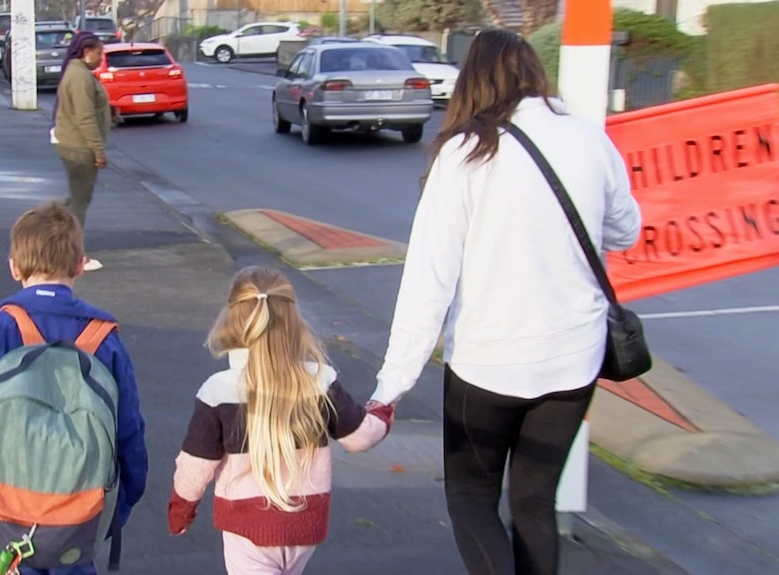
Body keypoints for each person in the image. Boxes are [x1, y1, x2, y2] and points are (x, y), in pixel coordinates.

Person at [367, 29, 642, 575]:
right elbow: (625, 231)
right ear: (534, 73)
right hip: (573, 361)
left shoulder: (466, 153)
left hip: (486, 365)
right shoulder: (588, 139)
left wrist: (391, 385)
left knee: (471, 498)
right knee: (535, 503)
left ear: (474, 79)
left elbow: (430, 280)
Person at [0, 202, 149, 575]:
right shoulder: (104, 340)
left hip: (3, 515)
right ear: (80, 264)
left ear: (14, 266)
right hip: (78, 518)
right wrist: (117, 507)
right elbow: (129, 435)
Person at [167, 266, 394, 575]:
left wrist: (182, 508)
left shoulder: (219, 392)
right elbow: (361, 437)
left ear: (233, 319)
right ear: (293, 322)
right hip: (305, 524)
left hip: (247, 525)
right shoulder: (318, 381)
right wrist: (382, 408)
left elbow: (196, 464)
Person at [51, 31, 118, 272]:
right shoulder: (79, 76)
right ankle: (75, 255)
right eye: (99, 53)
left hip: (72, 144)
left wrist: (110, 112)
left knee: (76, 197)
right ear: (86, 52)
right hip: (78, 148)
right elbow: (85, 117)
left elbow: (89, 108)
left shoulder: (78, 72)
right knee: (80, 201)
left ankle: (52, 227)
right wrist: (98, 151)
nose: (101, 58)